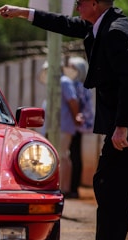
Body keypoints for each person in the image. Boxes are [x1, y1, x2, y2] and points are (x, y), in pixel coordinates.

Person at [0, 1, 128, 240]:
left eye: (80, 2)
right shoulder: (100, 23)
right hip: (124, 124)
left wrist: (123, 125)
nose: (77, 6)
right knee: (109, 184)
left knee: (110, 184)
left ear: (94, 3)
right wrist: (23, 12)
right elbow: (63, 23)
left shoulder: (116, 30)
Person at [38, 61, 82, 198]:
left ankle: (63, 188)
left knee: (61, 156)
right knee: (60, 156)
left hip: (63, 126)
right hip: (56, 126)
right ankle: (62, 187)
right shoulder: (56, 83)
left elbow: (73, 101)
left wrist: (75, 118)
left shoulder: (64, 81)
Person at [66, 56, 94, 199]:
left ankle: (73, 188)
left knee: (74, 156)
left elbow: (76, 105)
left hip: (76, 126)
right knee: (75, 155)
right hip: (80, 125)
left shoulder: (76, 85)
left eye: (73, 68)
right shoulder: (82, 85)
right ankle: (74, 187)